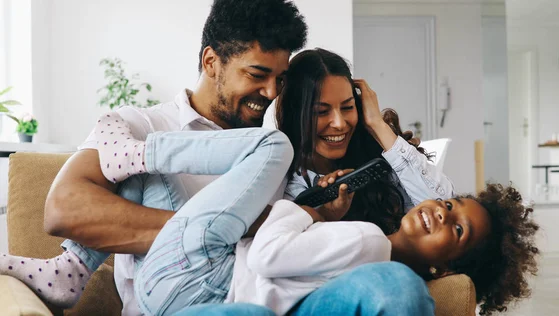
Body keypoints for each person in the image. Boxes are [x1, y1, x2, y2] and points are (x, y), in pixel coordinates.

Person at [0, 1, 442, 316]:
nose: (270, 92)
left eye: (280, 78)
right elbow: (65, 210)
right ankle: (71, 268)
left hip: (268, 293)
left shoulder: (280, 141)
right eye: (257, 74)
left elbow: (436, 205)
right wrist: (228, 230)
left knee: (396, 288)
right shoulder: (143, 125)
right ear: (211, 61)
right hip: (183, 299)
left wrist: (317, 214)